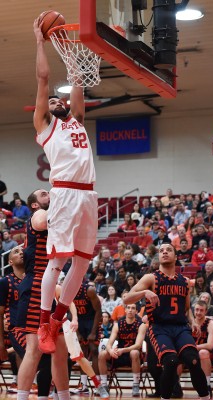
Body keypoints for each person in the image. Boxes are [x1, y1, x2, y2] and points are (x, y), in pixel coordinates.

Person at [33, 19, 98, 354]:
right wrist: (41, 42)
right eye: (54, 101)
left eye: (62, 100)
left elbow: (76, 82)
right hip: (64, 193)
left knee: (83, 264)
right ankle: (44, 322)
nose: (58, 101)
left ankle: (57, 318)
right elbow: (43, 79)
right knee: (57, 262)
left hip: (88, 195)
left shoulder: (77, 121)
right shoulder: (45, 127)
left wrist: (67, 49)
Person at [124, 243, 210, 400]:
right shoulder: (151, 278)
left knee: (193, 360)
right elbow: (126, 298)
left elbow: (186, 309)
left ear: (176, 257)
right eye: (161, 250)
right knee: (170, 362)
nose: (164, 252)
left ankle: (205, 397)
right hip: (159, 328)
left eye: (168, 250)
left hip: (180, 328)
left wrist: (193, 322)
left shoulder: (184, 281)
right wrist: (144, 292)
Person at [15, 189, 69, 400]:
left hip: (51, 286)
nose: (49, 195)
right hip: (36, 284)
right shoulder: (37, 216)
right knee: (34, 350)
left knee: (61, 350)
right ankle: (21, 397)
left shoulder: (53, 217)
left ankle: (64, 397)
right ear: (35, 204)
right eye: (44, 194)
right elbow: (41, 221)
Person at [98, 303, 147, 396]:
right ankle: (104, 385)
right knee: (102, 354)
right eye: (128, 307)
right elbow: (109, 343)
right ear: (125, 310)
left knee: (134, 352)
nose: (130, 310)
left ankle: (136, 384)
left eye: (133, 308)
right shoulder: (118, 324)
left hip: (133, 356)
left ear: (136, 311)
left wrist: (123, 350)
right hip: (119, 354)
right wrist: (110, 350)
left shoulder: (141, 325)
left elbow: (138, 345)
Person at [73, 281, 102, 394]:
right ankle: (83, 385)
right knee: (81, 354)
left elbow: (98, 311)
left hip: (91, 321)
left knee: (94, 351)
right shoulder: (67, 291)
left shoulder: (89, 290)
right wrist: (77, 333)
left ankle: (98, 385)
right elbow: (69, 313)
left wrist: (93, 332)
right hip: (78, 322)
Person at [192, 300, 213, 397]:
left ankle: (207, 385)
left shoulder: (211, 324)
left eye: (201, 310)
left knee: (203, 352)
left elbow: (210, 345)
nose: (198, 312)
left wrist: (193, 347)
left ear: (206, 311)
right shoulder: (189, 323)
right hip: (193, 353)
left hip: (211, 355)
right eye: (197, 310)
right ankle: (175, 386)